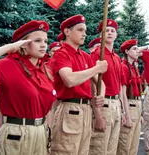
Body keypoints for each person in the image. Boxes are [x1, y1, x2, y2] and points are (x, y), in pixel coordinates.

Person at [0, 20, 56, 155]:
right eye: (37, 40)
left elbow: (47, 109)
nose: (43, 45)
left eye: (45, 41)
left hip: (41, 133)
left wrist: (47, 135)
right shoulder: (9, 65)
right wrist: (8, 47)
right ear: (23, 44)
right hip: (16, 134)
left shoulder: (44, 70)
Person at [49, 15, 108, 155]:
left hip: (86, 110)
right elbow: (69, 80)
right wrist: (96, 69)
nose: (84, 34)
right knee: (66, 150)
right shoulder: (61, 54)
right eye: (80, 30)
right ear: (67, 32)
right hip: (69, 109)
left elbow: (101, 83)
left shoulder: (84, 56)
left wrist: (101, 95)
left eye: (85, 31)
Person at [89, 19, 124, 155]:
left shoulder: (116, 57)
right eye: (106, 30)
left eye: (112, 31)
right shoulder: (97, 54)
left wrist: (122, 110)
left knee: (112, 148)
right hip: (104, 104)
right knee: (100, 147)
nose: (109, 33)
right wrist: (97, 115)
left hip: (116, 103)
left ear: (116, 35)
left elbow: (119, 84)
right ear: (100, 35)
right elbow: (93, 84)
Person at [117, 39, 143, 155]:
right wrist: (126, 115)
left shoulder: (134, 67)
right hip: (129, 106)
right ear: (127, 51)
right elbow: (122, 94)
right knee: (125, 143)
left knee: (134, 143)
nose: (138, 51)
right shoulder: (124, 67)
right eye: (135, 49)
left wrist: (140, 113)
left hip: (136, 105)